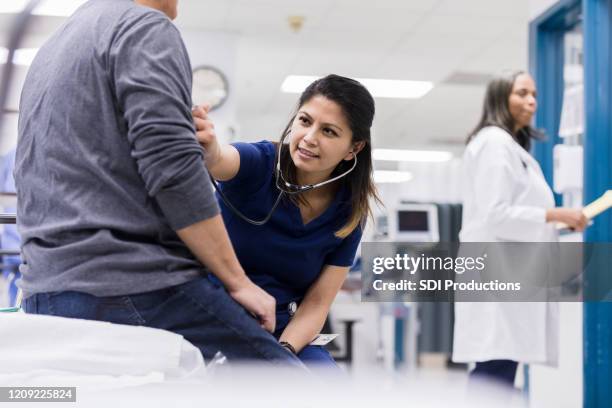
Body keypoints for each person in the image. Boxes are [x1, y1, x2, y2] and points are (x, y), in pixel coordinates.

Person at [15, 0, 302, 366]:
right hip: (131, 287)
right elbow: (174, 172)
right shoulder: (145, 27)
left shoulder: (54, 48)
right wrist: (238, 282)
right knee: (291, 384)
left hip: (47, 293)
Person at [192, 74, 379, 367]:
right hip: (216, 319)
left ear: (353, 149)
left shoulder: (349, 213)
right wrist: (210, 148)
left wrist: (283, 354)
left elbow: (317, 303)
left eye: (329, 131)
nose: (309, 137)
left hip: (284, 331)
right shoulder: (261, 163)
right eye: (305, 121)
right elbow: (220, 159)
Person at [452, 71, 588, 387]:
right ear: (500, 97)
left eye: (534, 95)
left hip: (509, 273)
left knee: (499, 365)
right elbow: (496, 213)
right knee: (494, 368)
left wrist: (554, 218)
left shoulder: (509, 147)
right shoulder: (493, 143)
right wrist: (554, 213)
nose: (531, 101)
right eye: (522, 93)